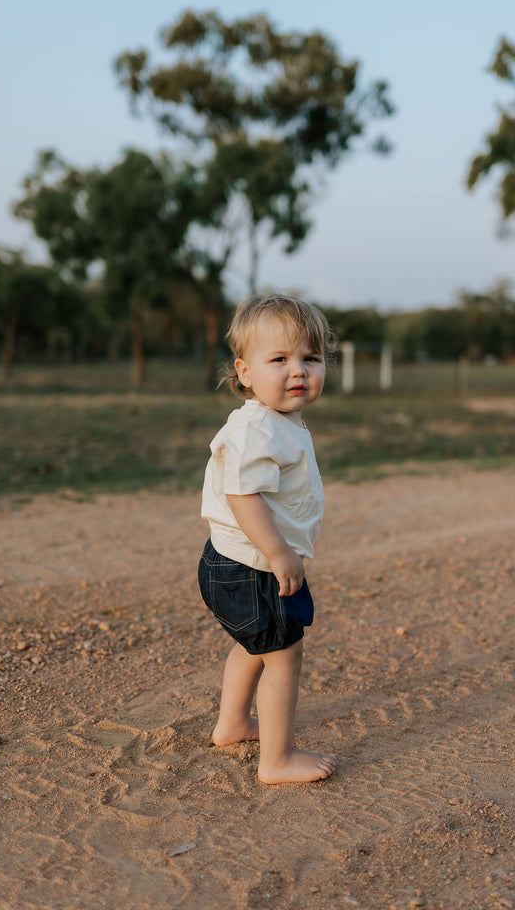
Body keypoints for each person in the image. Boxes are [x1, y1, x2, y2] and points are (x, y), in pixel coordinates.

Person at [198, 294, 336, 784]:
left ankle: (233, 724)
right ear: (245, 371)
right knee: (284, 654)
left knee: (256, 645)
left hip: (237, 562)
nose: (298, 370)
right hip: (252, 565)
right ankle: (277, 760)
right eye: (278, 359)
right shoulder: (258, 428)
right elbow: (243, 495)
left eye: (310, 358)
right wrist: (279, 552)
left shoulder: (278, 421)